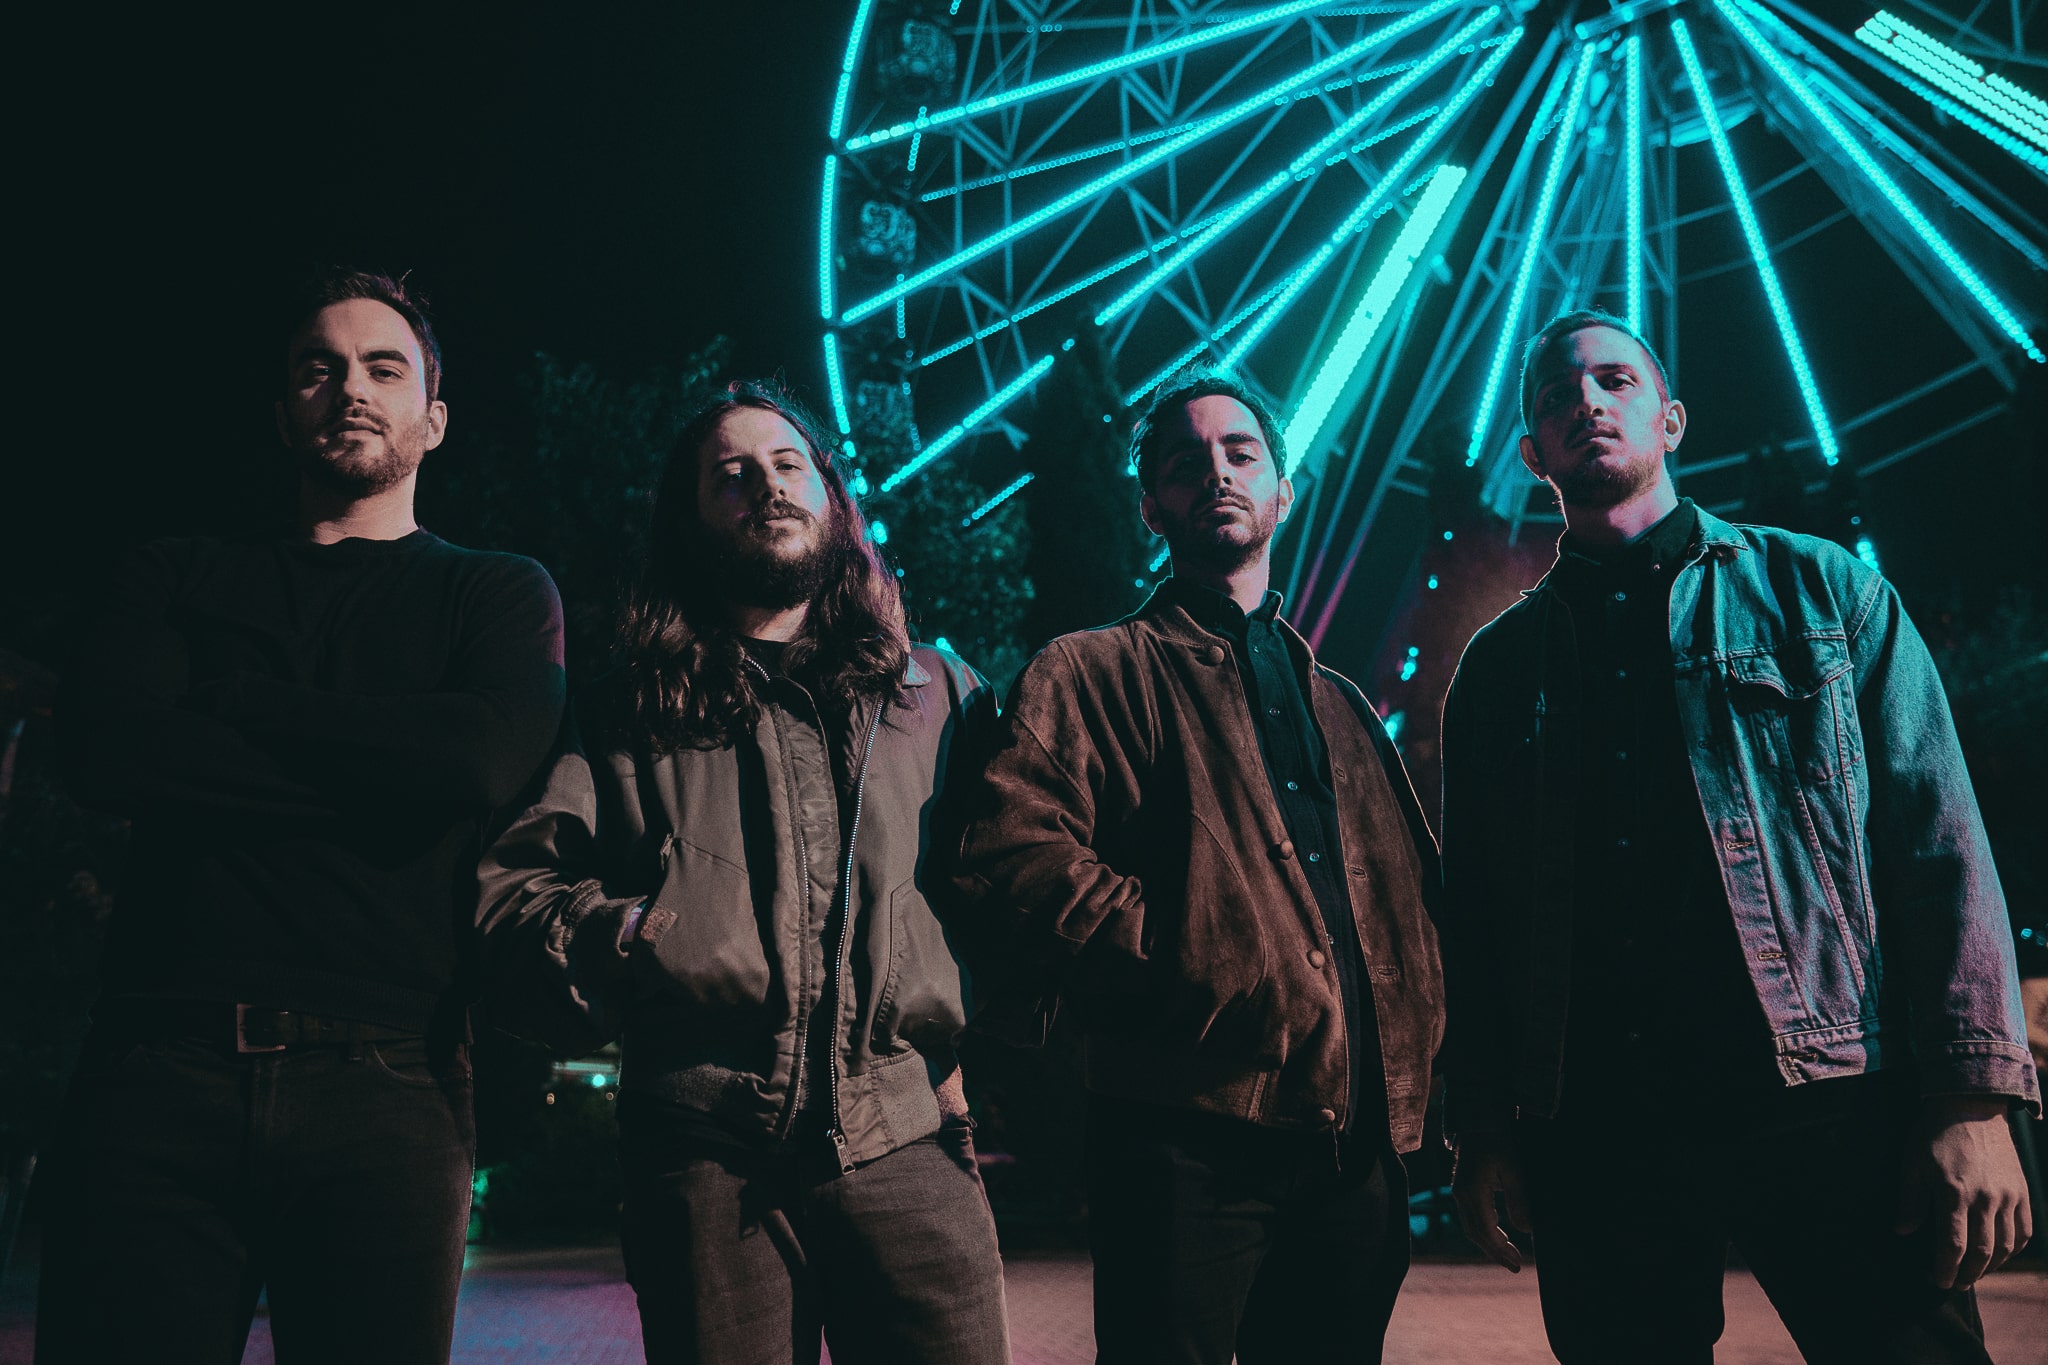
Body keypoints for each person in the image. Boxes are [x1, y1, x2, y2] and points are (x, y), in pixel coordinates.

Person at [1441, 307, 2037, 1363]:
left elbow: (1938, 842)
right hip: (1598, 1122)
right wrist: (1483, 1128)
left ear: (1670, 420)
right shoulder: (1496, 671)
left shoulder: (1825, 593)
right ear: (1532, 455)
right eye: (1556, 394)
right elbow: (1477, 923)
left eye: (1615, 381)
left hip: (1823, 1095)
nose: (1586, 401)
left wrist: (1971, 1100)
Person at [42, 268, 568, 1363]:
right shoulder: (173, 573)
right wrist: (386, 763)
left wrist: (235, 706)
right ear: (283, 412)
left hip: (391, 1076)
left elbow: (473, 762)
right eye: (318, 369)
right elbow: (108, 754)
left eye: (384, 367)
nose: (351, 388)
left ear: (433, 417)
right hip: (157, 1065)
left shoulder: (496, 591)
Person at [476, 380, 1009, 1365]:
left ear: (832, 497)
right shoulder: (627, 711)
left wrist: (970, 1049)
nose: (766, 485)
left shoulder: (938, 694)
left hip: (909, 1138)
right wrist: (638, 935)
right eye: (731, 475)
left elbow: (1012, 883)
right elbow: (513, 896)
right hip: (702, 1157)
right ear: (688, 521)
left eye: (787, 464)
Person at [948, 371, 1443, 1364]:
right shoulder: (1088, 672)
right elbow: (1008, 853)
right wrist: (1192, 957)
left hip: (1353, 1155)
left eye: (1239, 453)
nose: (1216, 471)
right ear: (1150, 506)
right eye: (1185, 461)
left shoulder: (1344, 709)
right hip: (1184, 1140)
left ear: (1282, 493)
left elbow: (1412, 912)